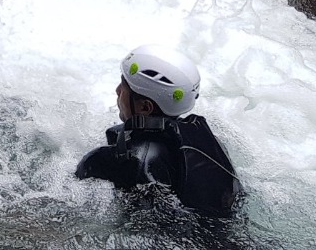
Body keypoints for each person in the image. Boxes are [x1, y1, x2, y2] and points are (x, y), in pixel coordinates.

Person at [76, 43, 242, 218]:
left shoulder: (128, 162)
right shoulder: (205, 140)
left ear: (145, 107)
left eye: (123, 87)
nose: (117, 91)